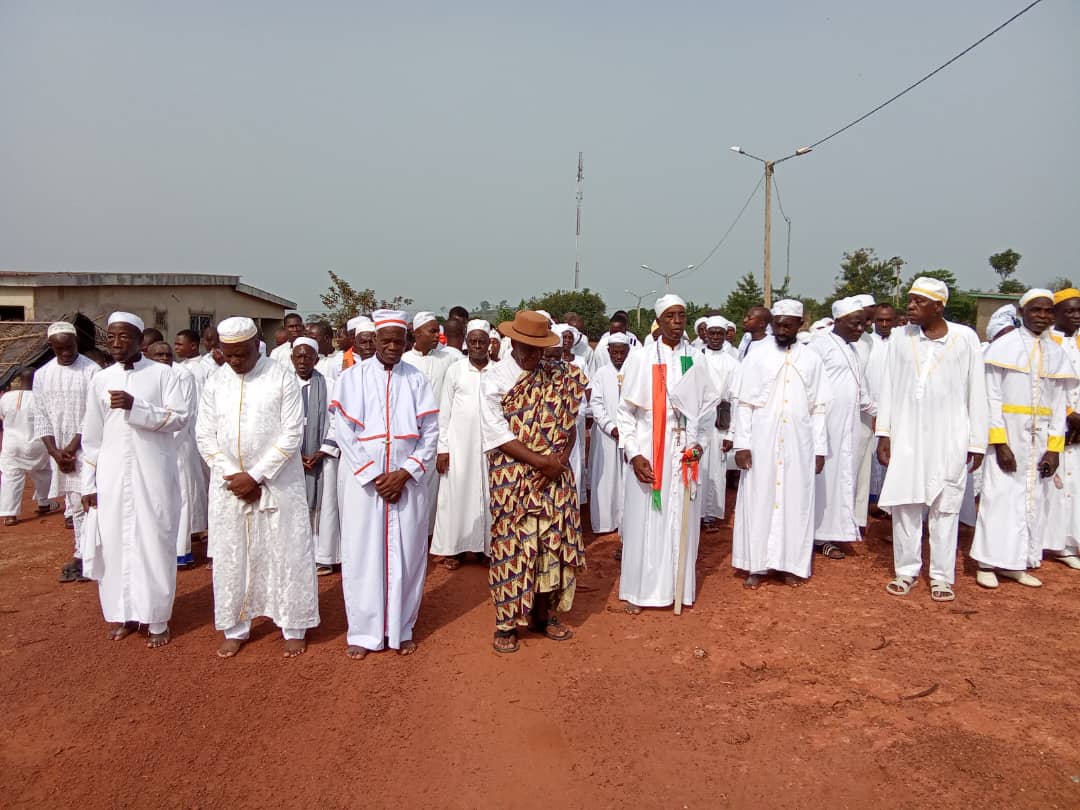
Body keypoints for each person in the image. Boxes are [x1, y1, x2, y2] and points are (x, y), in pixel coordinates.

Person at [196, 317, 320, 658]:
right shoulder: (215, 382)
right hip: (229, 486)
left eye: (242, 354)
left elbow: (292, 433)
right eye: (229, 354)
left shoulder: (281, 377)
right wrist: (234, 474)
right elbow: (204, 435)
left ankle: (293, 623)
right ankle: (236, 626)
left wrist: (257, 476)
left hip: (278, 484)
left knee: (286, 552)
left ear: (257, 345)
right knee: (233, 556)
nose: (236, 361)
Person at [332, 309, 438, 658]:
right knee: (363, 554)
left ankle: (401, 627)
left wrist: (405, 472)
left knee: (407, 554)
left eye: (399, 340)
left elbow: (430, 433)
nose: (393, 346)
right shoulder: (351, 379)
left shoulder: (417, 379)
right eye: (386, 340)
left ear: (407, 341)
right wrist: (372, 474)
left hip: (406, 482)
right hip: (366, 484)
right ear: (373, 341)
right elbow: (344, 433)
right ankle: (363, 633)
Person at [480, 310, 586, 653]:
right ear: (512, 342)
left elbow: (570, 422)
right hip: (513, 476)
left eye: (539, 350)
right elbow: (496, 433)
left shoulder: (559, 375)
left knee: (551, 543)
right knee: (512, 545)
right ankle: (507, 622)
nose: (532, 356)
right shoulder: (493, 378)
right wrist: (542, 463)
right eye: (526, 348)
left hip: (555, 473)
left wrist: (560, 460)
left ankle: (544, 613)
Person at [81, 313, 189, 648]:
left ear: (140, 340)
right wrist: (89, 483)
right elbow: (92, 437)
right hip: (112, 476)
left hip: (152, 473)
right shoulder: (101, 379)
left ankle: (157, 618)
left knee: (153, 541)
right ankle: (122, 613)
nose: (115, 343)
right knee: (115, 543)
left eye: (123, 337)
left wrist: (136, 407)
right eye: (111, 337)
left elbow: (179, 418)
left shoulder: (162, 375)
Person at [876, 278, 988, 602]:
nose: (910, 306)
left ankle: (941, 576)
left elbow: (977, 393)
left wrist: (977, 442)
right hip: (907, 433)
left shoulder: (965, 338)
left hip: (950, 434)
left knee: (946, 505)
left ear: (939, 306)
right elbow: (889, 387)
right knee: (905, 503)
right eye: (910, 300)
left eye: (918, 301)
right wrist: (884, 433)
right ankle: (906, 571)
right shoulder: (900, 338)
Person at [617, 294, 721, 612]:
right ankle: (640, 593)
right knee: (646, 522)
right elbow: (626, 413)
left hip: (685, 454)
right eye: (671, 316)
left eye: (682, 316)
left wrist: (699, 445)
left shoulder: (697, 359)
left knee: (681, 522)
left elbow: (706, 414)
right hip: (650, 453)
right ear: (659, 321)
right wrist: (634, 454)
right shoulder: (641, 357)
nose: (677, 322)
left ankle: (678, 589)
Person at [971, 290, 1076, 589]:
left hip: (1041, 438)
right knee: (999, 497)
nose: (1042, 316)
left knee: (1032, 500)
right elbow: (990, 397)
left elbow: (1058, 406)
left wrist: (1054, 449)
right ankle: (987, 561)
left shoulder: (1057, 353)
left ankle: (1016, 562)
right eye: (1036, 310)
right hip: (1008, 434)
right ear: (1022, 311)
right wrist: (999, 442)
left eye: (1047, 311)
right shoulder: (1003, 347)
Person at [731, 300, 829, 588]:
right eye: (778, 323)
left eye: (788, 324)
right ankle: (756, 564)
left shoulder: (812, 360)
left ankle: (790, 564)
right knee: (759, 499)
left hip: (800, 444)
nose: (782, 329)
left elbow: (820, 408)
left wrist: (820, 449)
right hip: (762, 442)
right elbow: (744, 403)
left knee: (795, 500)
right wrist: (742, 444)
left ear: (800, 325)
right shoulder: (757, 356)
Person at [32, 321, 99, 582]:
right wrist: (55, 452)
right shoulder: (42, 375)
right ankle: (82, 554)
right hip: (60, 454)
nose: (66, 353)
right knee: (73, 505)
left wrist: (71, 449)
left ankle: (91, 555)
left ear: (76, 344)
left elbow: (93, 415)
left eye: (70, 348)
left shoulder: (91, 371)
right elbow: (41, 417)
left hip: (88, 448)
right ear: (52, 347)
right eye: (60, 349)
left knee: (91, 502)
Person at [809, 298, 876, 559]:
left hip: (847, 426)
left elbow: (861, 392)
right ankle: (817, 535)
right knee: (823, 480)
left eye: (862, 323)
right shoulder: (820, 345)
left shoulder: (852, 349)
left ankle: (833, 531)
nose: (860, 328)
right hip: (825, 426)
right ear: (837, 321)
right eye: (855, 323)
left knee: (842, 478)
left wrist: (883, 414)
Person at [431, 320, 494, 568]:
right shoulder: (455, 370)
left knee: (489, 495)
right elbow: (444, 413)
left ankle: (485, 548)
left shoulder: (498, 372)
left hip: (491, 446)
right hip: (459, 447)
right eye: (473, 341)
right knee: (456, 495)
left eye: (482, 341)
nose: (477, 346)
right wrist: (443, 448)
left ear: (490, 343)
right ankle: (454, 549)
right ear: (467, 342)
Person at [145, 341, 207, 568]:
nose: (163, 358)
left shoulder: (183, 375)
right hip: (150, 449)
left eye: (167, 354)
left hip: (177, 447)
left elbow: (184, 415)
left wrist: (165, 446)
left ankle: (181, 551)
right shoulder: (144, 377)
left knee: (180, 497)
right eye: (158, 354)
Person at [403, 311, 459, 532]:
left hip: (437, 431)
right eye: (433, 330)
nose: (438, 334)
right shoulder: (404, 360)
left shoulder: (450, 358)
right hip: (409, 433)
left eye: (439, 330)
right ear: (417, 333)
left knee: (436, 486)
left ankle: (433, 533)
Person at [1048, 288, 1080, 569]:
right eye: (1069, 311)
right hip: (1060, 423)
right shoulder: (1048, 342)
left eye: (1079, 310)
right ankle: (1056, 542)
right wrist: (1070, 416)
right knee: (1057, 485)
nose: (1076, 316)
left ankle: (1073, 541)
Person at [0, 368, 54, 525]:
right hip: (38, 443)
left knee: (11, 478)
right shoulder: (43, 397)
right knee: (44, 472)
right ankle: (44, 503)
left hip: (12, 444)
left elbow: (2, 418)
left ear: (18, 379)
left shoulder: (6, 398)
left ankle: (10, 515)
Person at [589, 334, 630, 538]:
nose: (619, 356)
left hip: (629, 435)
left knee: (626, 479)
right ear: (608, 352)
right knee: (606, 479)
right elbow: (595, 404)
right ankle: (605, 522)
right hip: (607, 436)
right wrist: (610, 427)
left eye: (622, 352)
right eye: (615, 352)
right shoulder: (601, 374)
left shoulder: (634, 372)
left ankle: (626, 522)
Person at [698, 316, 738, 527]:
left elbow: (735, 398)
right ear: (705, 334)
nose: (714, 337)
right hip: (696, 420)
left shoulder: (732, 363)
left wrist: (732, 432)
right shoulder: (696, 357)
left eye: (719, 334)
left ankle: (710, 514)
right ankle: (694, 510)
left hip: (720, 420)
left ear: (725, 335)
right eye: (711, 333)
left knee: (716, 468)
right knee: (696, 464)